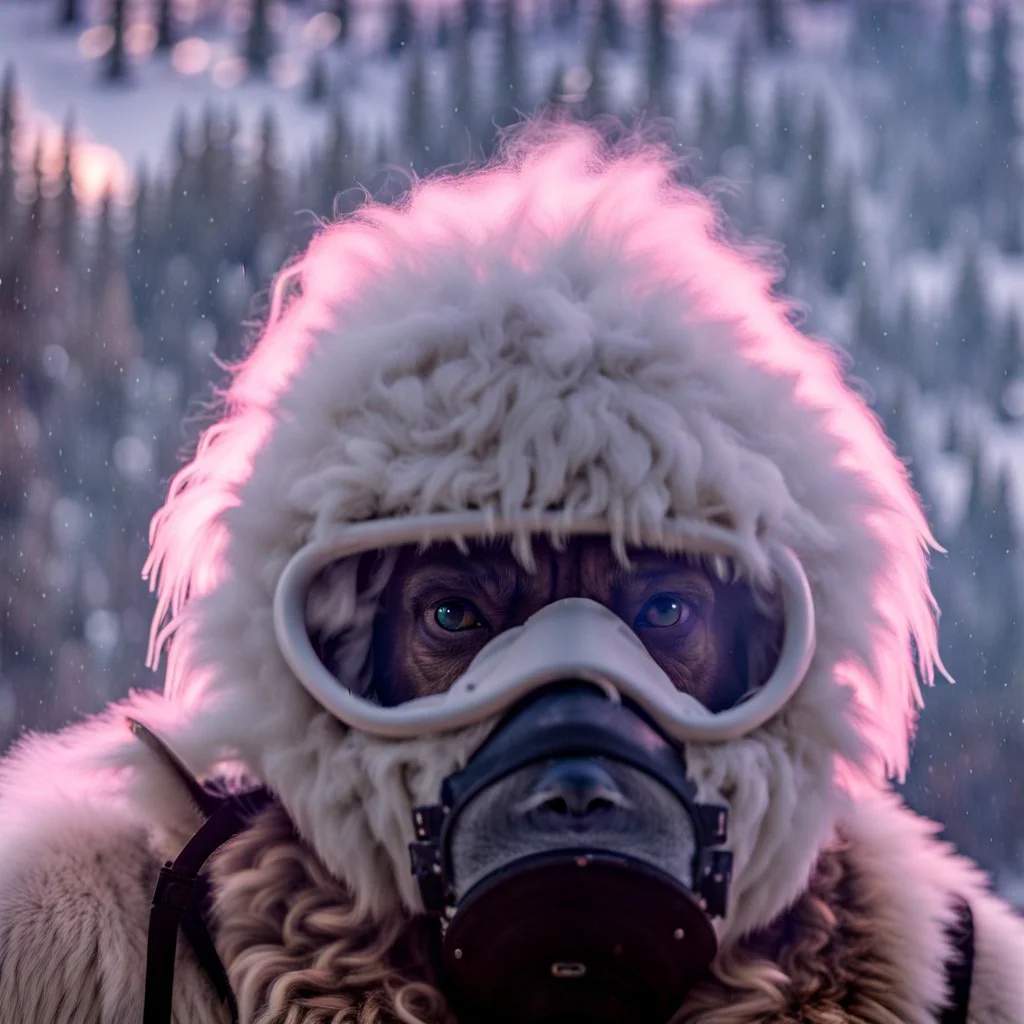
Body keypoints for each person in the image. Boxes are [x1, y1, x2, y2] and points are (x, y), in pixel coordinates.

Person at [1, 122, 1021, 1024]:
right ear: (336, 660)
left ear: (772, 656)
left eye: (663, 611)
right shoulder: (94, 957)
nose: (569, 697)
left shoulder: (952, 990)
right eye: (455, 613)